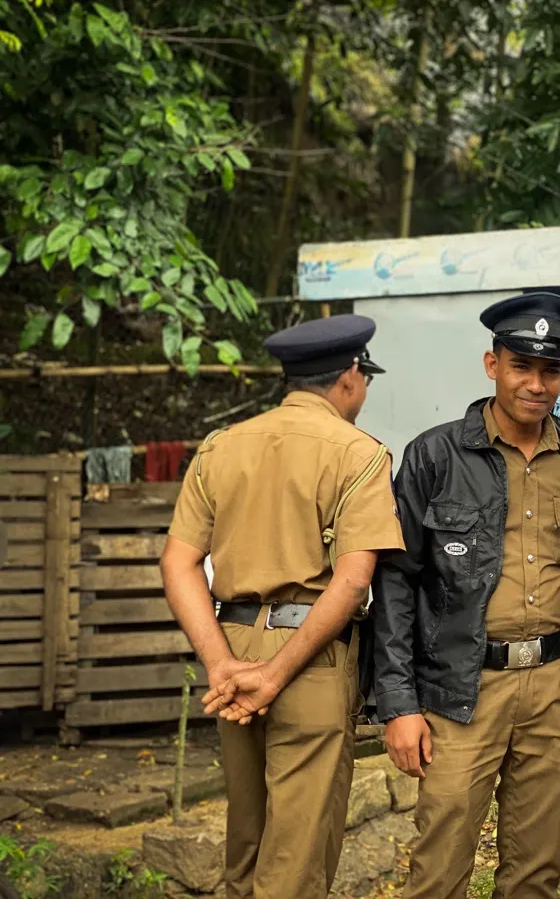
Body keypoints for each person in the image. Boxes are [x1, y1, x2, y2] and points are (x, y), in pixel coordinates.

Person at [371, 292, 560, 899]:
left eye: (550, 370)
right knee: (438, 868)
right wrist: (399, 704)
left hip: (556, 685)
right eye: (522, 366)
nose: (536, 384)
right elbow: (396, 582)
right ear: (493, 366)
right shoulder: (435, 455)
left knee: (536, 874)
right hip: (461, 688)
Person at [160, 314, 404, 899]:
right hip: (310, 657)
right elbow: (350, 583)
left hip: (233, 649)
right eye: (364, 378)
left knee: (246, 838)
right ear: (349, 376)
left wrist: (221, 663)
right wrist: (275, 673)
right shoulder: (359, 454)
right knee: (296, 857)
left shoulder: (221, 447)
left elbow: (177, 563)